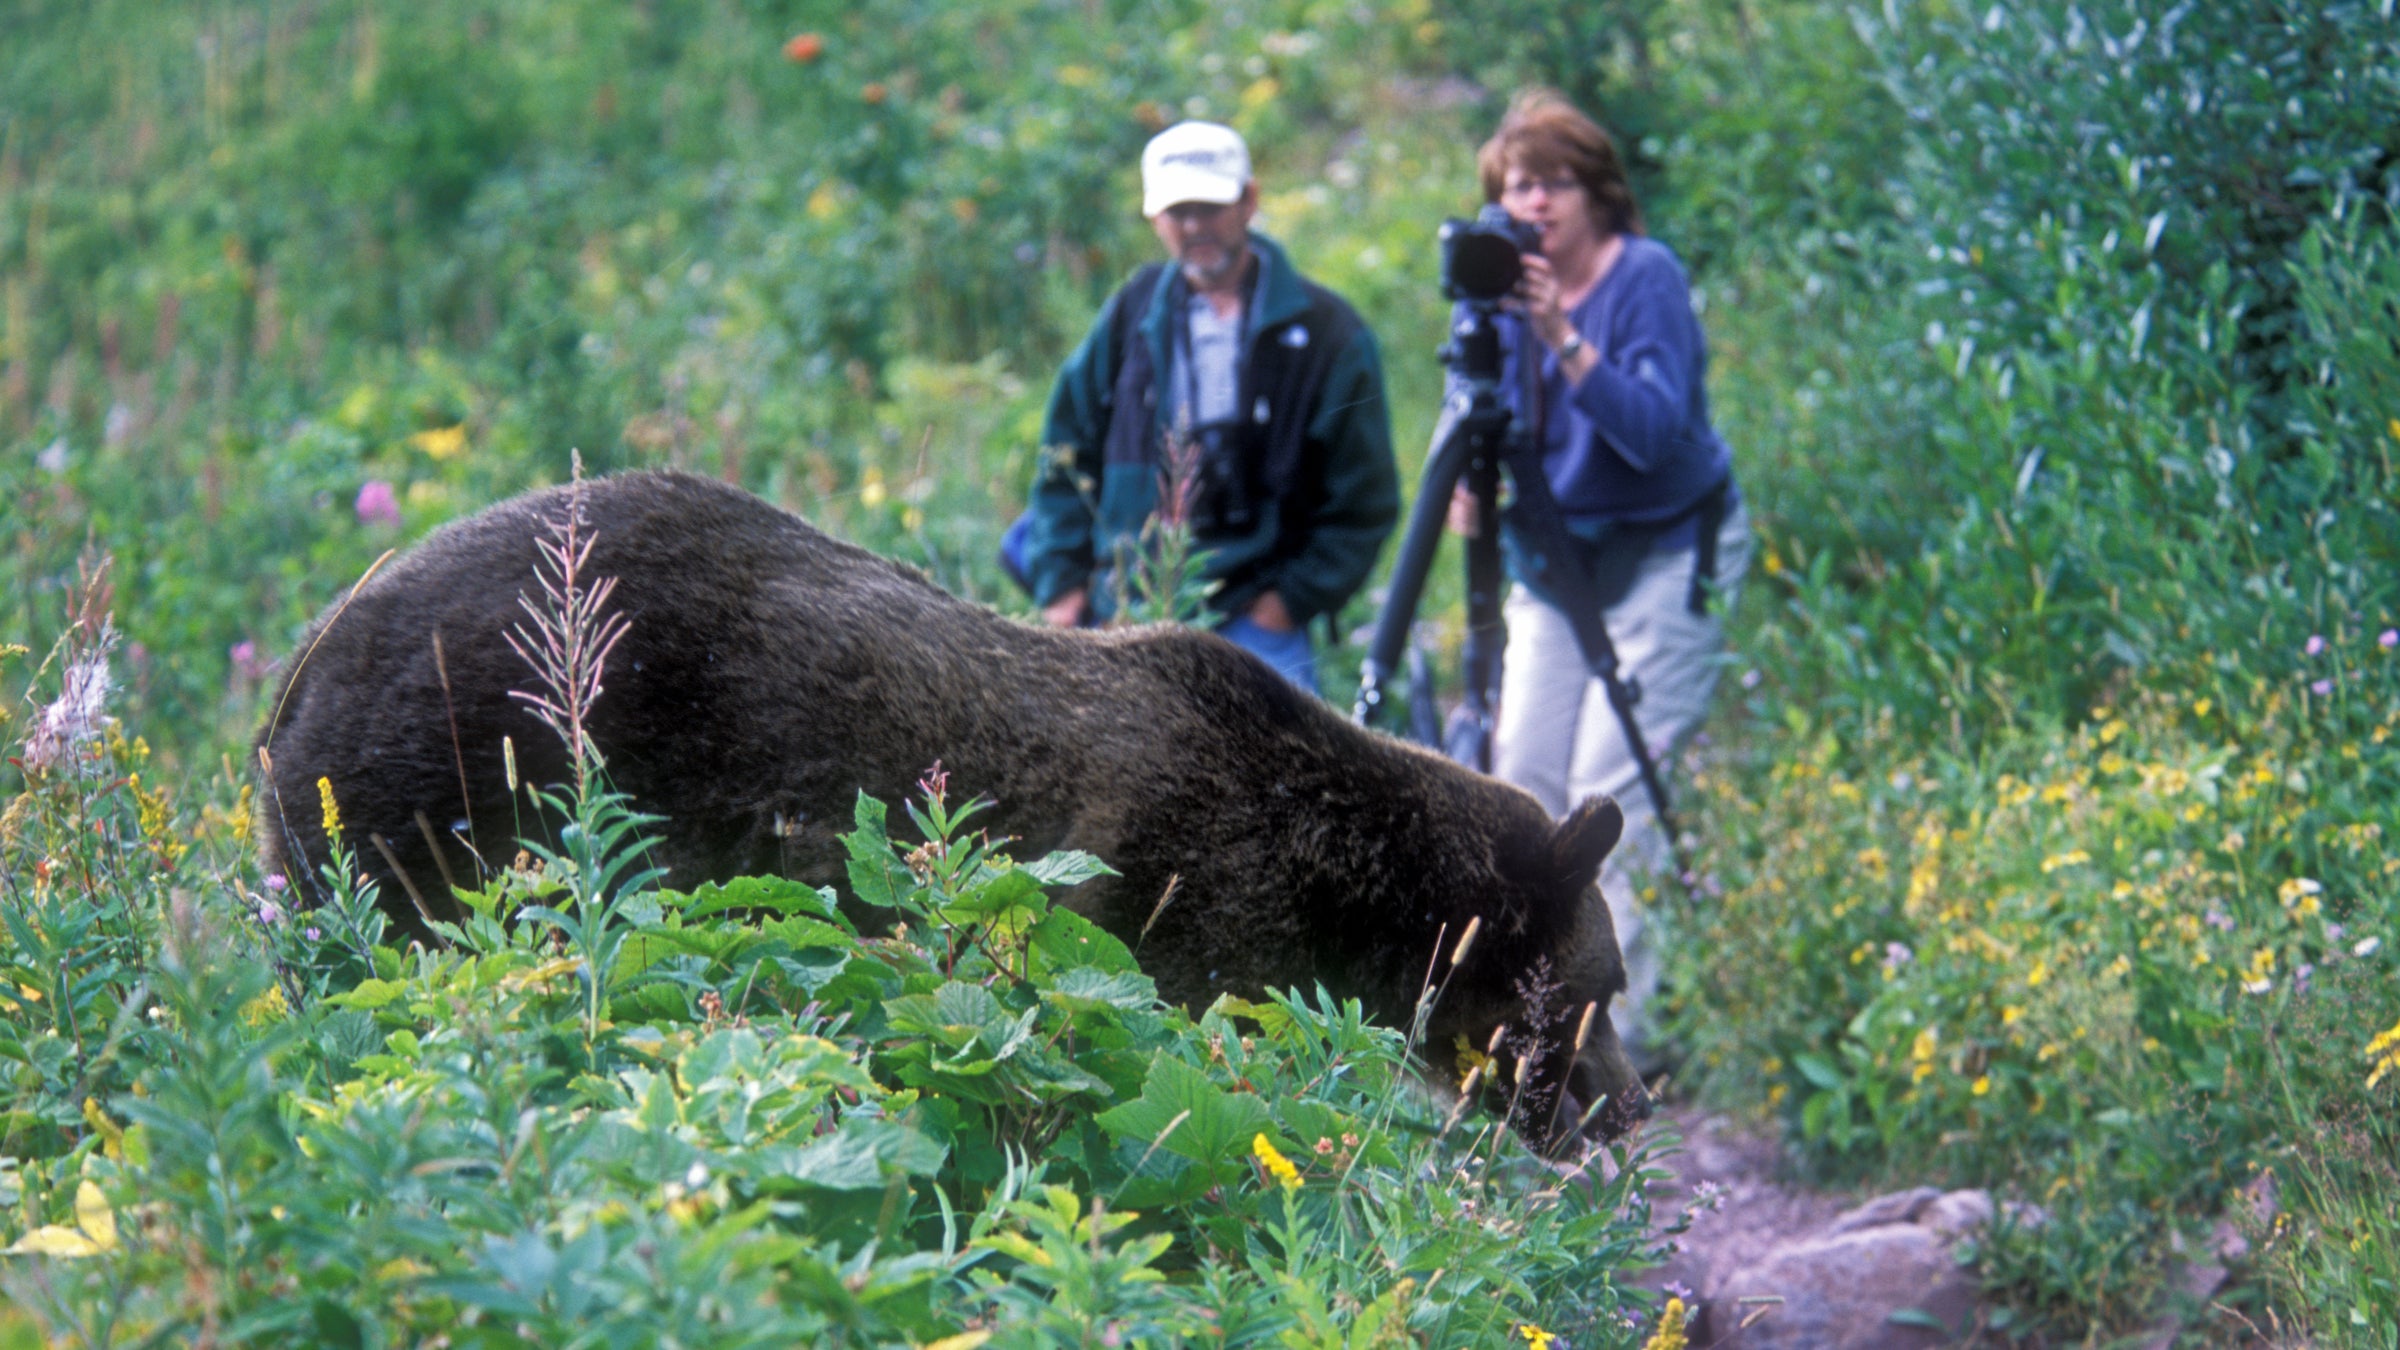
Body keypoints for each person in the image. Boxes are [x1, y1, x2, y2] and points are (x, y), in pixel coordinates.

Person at [1449, 90, 1752, 1064]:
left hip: (1666, 552)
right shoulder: (1497, 296)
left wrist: (1562, 338)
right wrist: (1461, 482)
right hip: (1557, 564)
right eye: (1516, 186)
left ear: (1597, 194)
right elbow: (1471, 404)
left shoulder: (1643, 278)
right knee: (1523, 789)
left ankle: (1625, 1039)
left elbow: (1655, 433)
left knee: (1608, 788)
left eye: (1552, 184)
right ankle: (1524, 1021)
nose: (1533, 204)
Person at [1009, 121, 1399, 690]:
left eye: (1211, 206)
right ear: (1154, 218)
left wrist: (1288, 602)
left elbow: (1366, 497)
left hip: (1257, 617)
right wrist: (1062, 589)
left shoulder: (1327, 333)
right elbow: (1064, 453)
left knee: (1284, 774)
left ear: (1249, 201)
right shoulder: (1131, 313)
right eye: (1178, 211)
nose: (1195, 226)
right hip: (1127, 610)